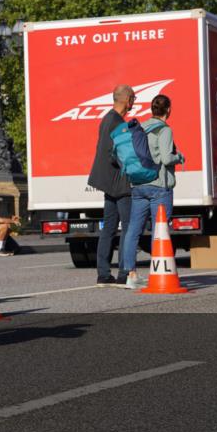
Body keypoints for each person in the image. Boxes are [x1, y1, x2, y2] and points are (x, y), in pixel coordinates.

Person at [118, 94, 184, 289]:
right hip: (159, 186)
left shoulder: (141, 127)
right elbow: (166, 158)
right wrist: (179, 157)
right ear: (168, 110)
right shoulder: (164, 130)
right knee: (159, 230)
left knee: (133, 230)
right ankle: (159, 272)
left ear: (152, 109)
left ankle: (130, 274)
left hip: (138, 185)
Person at [87, 84, 136, 287]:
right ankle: (124, 273)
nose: (134, 102)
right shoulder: (118, 123)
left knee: (109, 227)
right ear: (127, 100)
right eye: (133, 98)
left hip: (108, 181)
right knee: (128, 227)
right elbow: (117, 154)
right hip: (119, 182)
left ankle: (104, 274)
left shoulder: (107, 118)